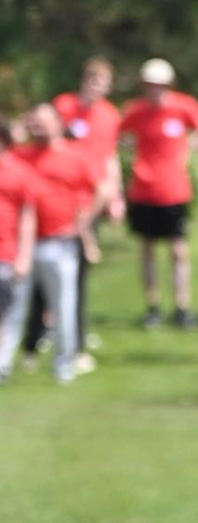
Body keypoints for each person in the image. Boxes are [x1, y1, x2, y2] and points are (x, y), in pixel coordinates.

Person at [11, 105, 101, 384]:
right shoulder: (20, 155)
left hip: (60, 243)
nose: (39, 127)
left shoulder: (75, 155)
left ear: (58, 124)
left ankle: (63, 365)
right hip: (22, 245)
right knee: (13, 307)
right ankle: (5, 364)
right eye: (35, 123)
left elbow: (100, 190)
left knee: (63, 308)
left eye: (45, 122)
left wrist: (81, 226)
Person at [119, 57, 198, 329]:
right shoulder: (136, 111)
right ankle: (153, 305)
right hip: (144, 190)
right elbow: (120, 134)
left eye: (158, 84)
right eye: (149, 84)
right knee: (147, 249)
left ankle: (182, 305)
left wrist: (188, 150)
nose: (154, 89)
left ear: (168, 84)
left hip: (174, 190)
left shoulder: (183, 106)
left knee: (178, 250)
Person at [53, 55, 126, 371]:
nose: (98, 86)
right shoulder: (64, 106)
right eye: (94, 79)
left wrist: (116, 196)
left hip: (91, 200)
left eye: (104, 82)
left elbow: (110, 156)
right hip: (61, 198)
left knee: (78, 272)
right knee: (51, 268)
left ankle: (76, 340)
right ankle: (44, 333)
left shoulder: (109, 115)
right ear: (84, 79)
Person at [0, 116, 38, 384]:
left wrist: (24, 255)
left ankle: (2, 363)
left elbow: (27, 215)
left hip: (5, 254)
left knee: (5, 312)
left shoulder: (18, 171)